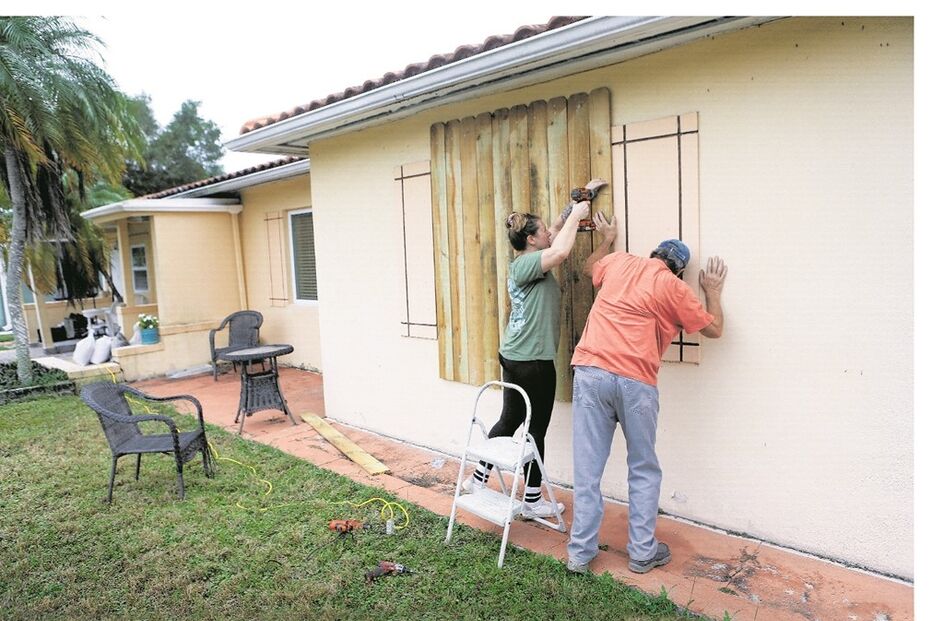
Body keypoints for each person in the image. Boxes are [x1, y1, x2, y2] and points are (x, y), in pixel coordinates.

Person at [566, 212, 728, 574]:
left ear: (652, 254)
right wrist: (713, 292)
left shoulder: (620, 262)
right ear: (679, 270)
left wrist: (608, 239)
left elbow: (589, 266)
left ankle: (580, 554)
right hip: (635, 381)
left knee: (588, 468)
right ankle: (642, 553)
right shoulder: (674, 288)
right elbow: (714, 329)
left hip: (591, 371)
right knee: (642, 467)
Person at [461, 178, 608, 519]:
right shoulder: (527, 263)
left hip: (515, 355)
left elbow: (556, 232)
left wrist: (580, 199)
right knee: (535, 428)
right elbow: (560, 249)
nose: (549, 232)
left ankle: (478, 479)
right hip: (533, 362)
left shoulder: (529, 257)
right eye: (542, 231)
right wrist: (579, 215)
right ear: (531, 239)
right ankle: (531, 500)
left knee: (510, 419)